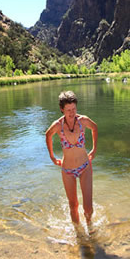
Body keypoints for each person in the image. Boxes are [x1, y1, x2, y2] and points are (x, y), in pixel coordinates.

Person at [45, 90, 98, 227]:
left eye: (74, 109)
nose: (71, 112)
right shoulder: (58, 125)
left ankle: (90, 226)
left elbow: (95, 128)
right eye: (68, 110)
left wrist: (94, 149)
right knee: (73, 205)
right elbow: (48, 135)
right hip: (67, 170)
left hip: (85, 167)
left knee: (88, 207)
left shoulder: (83, 121)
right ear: (62, 109)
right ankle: (78, 234)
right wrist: (52, 156)